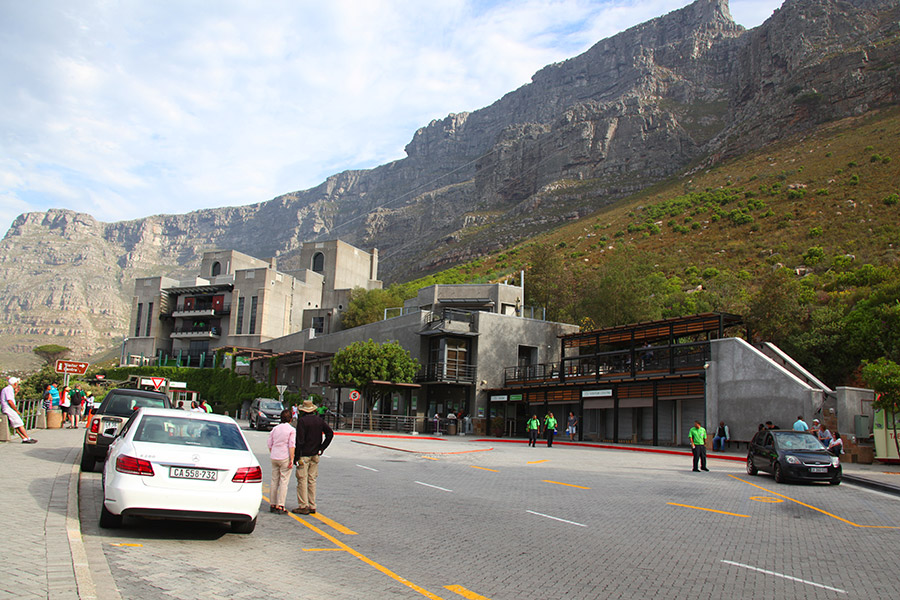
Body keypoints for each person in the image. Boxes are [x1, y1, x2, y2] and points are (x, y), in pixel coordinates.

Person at [292, 398, 334, 515]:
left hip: (304, 455)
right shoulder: (318, 420)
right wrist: (322, 447)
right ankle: (312, 504)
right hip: (315, 454)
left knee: (302, 479)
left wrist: (296, 456)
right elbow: (330, 433)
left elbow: (299, 440)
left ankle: (303, 505)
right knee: (312, 480)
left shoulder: (302, 421)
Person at [267, 409, 295, 515]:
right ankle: (281, 505)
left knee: (274, 480)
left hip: (275, 456)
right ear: (291, 419)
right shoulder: (291, 430)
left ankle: (272, 503)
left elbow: (269, 443)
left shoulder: (275, 429)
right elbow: (291, 445)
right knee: (284, 481)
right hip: (284, 456)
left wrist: (273, 451)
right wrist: (291, 459)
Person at [1, 377, 37, 443]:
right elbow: (10, 401)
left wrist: (16, 392)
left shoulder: (7, 389)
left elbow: (11, 398)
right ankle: (27, 437)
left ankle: (24, 438)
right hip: (9, 409)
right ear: (15, 384)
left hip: (6, 408)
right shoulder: (9, 389)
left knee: (15, 425)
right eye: (17, 383)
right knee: (19, 423)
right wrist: (16, 410)